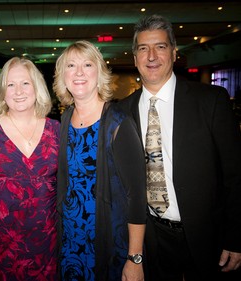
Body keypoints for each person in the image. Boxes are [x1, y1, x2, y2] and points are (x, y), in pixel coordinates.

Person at [119, 14, 241, 281]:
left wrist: (235, 237)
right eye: (143, 48)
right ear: (134, 57)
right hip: (151, 237)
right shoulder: (122, 111)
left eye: (160, 47)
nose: (151, 56)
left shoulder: (211, 101)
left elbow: (235, 174)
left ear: (174, 53)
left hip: (207, 236)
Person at [53, 40, 147, 281]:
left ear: (100, 72)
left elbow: (136, 195)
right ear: (63, 76)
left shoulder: (118, 122)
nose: (79, 72)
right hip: (70, 243)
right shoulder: (64, 122)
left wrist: (135, 259)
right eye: (71, 65)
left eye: (87, 64)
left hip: (107, 246)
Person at [0, 57, 60, 281]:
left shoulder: (57, 129)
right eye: (10, 84)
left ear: (37, 87)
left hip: (45, 243)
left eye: (25, 83)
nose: (18, 91)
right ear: (3, 90)